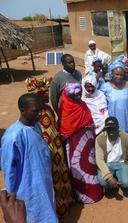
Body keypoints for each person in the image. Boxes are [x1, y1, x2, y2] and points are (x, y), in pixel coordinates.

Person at [1, 93, 58, 222]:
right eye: (35, 111)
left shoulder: (35, 125)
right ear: (22, 110)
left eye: (41, 110)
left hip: (42, 182)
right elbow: (9, 169)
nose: (40, 114)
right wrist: (12, 198)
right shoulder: (13, 136)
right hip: (28, 188)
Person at [25, 77, 73, 217]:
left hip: (57, 148)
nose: (47, 96)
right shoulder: (34, 115)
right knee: (50, 179)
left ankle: (66, 202)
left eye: (46, 94)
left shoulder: (47, 109)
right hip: (46, 152)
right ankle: (55, 210)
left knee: (61, 174)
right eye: (43, 95)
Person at [58, 83, 104, 203]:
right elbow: (65, 130)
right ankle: (81, 196)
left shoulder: (83, 105)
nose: (78, 97)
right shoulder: (65, 110)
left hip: (88, 145)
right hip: (74, 148)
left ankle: (94, 193)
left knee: (90, 168)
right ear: (69, 96)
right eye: (75, 95)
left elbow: (89, 120)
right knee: (78, 170)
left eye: (79, 94)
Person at [95, 117, 128, 191]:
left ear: (118, 128)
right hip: (107, 164)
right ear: (105, 129)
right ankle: (112, 183)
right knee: (103, 182)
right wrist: (109, 177)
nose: (111, 132)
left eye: (113, 128)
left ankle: (120, 181)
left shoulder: (126, 137)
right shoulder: (99, 139)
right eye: (108, 129)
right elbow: (99, 160)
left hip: (122, 163)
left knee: (127, 183)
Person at [100, 60, 128, 135]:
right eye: (117, 74)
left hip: (127, 121)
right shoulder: (105, 87)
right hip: (112, 123)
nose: (119, 77)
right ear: (112, 73)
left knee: (126, 142)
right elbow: (101, 107)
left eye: (121, 75)